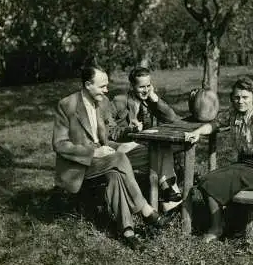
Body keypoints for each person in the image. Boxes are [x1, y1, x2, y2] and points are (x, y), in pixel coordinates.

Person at [52, 64, 169, 251]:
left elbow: (109, 135)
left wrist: (123, 142)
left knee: (136, 158)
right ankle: (145, 209)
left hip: (106, 155)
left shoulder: (103, 102)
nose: (106, 90)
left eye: (106, 86)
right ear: (88, 84)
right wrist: (93, 153)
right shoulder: (67, 105)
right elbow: (59, 145)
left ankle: (128, 231)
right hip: (80, 165)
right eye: (102, 86)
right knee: (119, 159)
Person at [184, 76, 253, 243]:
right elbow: (215, 125)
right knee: (205, 180)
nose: (240, 101)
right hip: (243, 164)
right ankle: (221, 222)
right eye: (237, 97)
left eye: (245, 97)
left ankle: (216, 227)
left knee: (210, 183)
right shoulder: (233, 112)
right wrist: (197, 132)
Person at [107, 66, 183, 214]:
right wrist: (129, 130)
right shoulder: (119, 101)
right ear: (132, 86)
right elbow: (108, 131)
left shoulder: (149, 101)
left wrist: (155, 98)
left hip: (143, 147)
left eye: (148, 86)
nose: (145, 90)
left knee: (163, 147)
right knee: (159, 149)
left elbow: (172, 119)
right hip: (122, 148)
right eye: (141, 87)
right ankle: (168, 193)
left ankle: (168, 196)